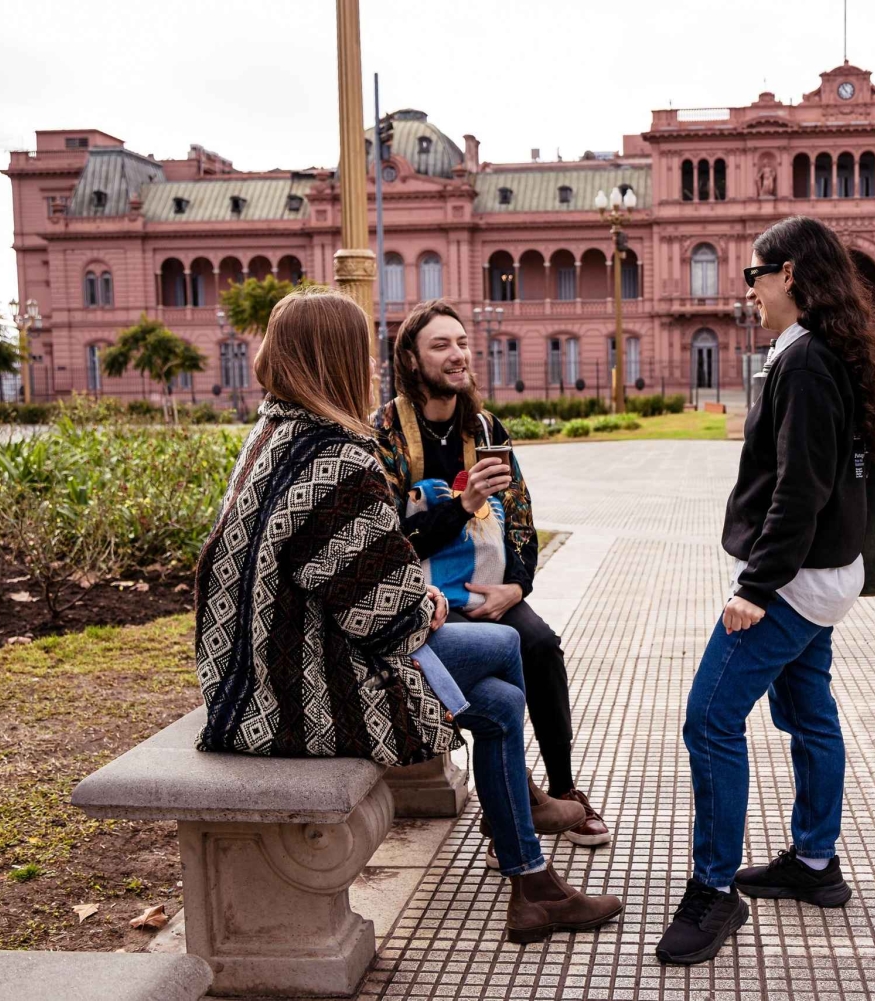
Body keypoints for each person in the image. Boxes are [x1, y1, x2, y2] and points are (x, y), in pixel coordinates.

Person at [193, 285, 622, 943]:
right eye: (359, 350)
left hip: (258, 666)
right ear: (334, 359)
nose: (370, 365)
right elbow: (385, 617)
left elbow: (361, 578)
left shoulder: (274, 433)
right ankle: (528, 836)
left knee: (504, 699)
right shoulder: (340, 456)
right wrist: (433, 600)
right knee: (507, 654)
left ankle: (531, 878)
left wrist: (497, 587)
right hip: (301, 687)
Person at [655, 217, 875, 965]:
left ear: (788, 273)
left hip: (792, 582)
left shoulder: (804, 361)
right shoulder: (822, 352)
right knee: (807, 712)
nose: (748, 291)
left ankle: (713, 890)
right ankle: (815, 862)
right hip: (824, 574)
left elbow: (801, 488)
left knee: (710, 719)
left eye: (753, 275)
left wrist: (755, 587)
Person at [369, 299, 611, 867]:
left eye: (462, 343)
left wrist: (516, 588)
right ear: (411, 359)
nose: (458, 355)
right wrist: (462, 505)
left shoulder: (484, 427)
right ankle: (514, 805)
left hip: (489, 591)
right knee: (497, 675)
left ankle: (561, 789)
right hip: (424, 602)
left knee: (541, 644)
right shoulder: (385, 436)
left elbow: (521, 517)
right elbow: (389, 546)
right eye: (440, 345)